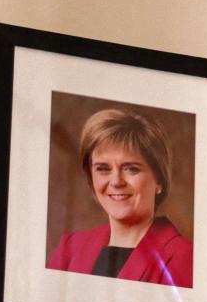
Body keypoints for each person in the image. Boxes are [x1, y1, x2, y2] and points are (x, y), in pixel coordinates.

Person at [47, 108, 193, 288]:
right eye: (103, 168)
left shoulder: (183, 258)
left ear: (159, 180)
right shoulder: (69, 249)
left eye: (131, 168)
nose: (116, 181)